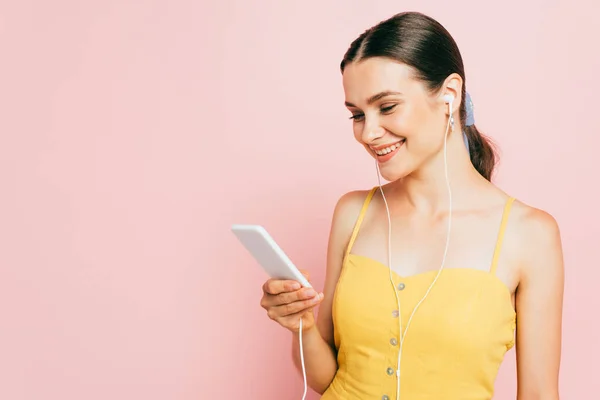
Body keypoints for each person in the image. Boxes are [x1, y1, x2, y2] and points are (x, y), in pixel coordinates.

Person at [259, 11, 563, 400]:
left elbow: (539, 394)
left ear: (449, 96)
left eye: (386, 107)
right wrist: (299, 325)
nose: (368, 133)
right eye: (356, 114)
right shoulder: (353, 212)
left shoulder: (530, 234)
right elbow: (325, 378)